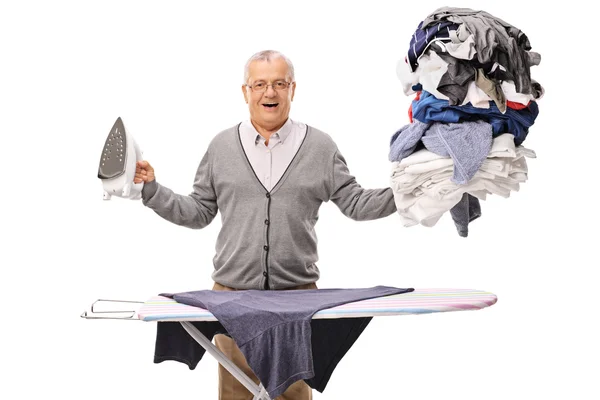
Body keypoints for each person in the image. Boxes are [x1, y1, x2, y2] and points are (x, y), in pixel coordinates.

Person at [135, 50, 396, 400]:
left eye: (278, 83)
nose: (269, 93)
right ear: (245, 91)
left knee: (292, 393)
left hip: (297, 300)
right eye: (259, 84)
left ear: (292, 89)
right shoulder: (221, 147)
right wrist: (152, 190)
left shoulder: (319, 146)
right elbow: (197, 212)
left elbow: (356, 202)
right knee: (237, 392)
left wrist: (411, 190)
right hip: (231, 299)